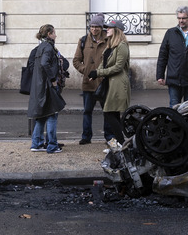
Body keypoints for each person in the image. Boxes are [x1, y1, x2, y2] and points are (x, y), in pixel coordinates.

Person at [88, 19, 130, 142]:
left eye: (110, 28)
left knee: (109, 113)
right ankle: (119, 143)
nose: (107, 30)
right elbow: (104, 63)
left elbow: (118, 67)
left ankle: (121, 143)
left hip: (117, 84)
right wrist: (96, 73)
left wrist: (99, 72)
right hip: (109, 82)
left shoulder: (122, 46)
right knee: (113, 114)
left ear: (117, 30)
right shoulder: (110, 45)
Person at [27, 24, 66, 154]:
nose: (56, 35)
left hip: (39, 85)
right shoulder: (48, 47)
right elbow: (44, 63)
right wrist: (53, 80)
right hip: (48, 86)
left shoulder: (40, 47)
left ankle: (36, 144)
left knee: (41, 116)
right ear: (49, 34)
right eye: (54, 33)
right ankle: (52, 145)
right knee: (52, 114)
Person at [72, 14, 109, 145]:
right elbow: (76, 61)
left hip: (105, 82)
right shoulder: (83, 40)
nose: (94, 29)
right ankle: (86, 136)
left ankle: (109, 137)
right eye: (92, 26)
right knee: (87, 111)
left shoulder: (109, 40)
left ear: (102, 27)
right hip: (88, 82)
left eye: (97, 27)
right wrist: (86, 70)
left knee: (108, 111)